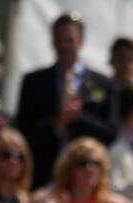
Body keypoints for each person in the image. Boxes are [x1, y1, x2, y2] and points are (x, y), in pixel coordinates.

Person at [15, 12, 114, 189]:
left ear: (81, 42)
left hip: (87, 180)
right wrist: (57, 122)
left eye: (70, 40)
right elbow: (24, 129)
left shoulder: (102, 84)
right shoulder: (34, 81)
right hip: (43, 174)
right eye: (59, 40)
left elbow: (111, 132)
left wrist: (79, 117)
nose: (64, 46)